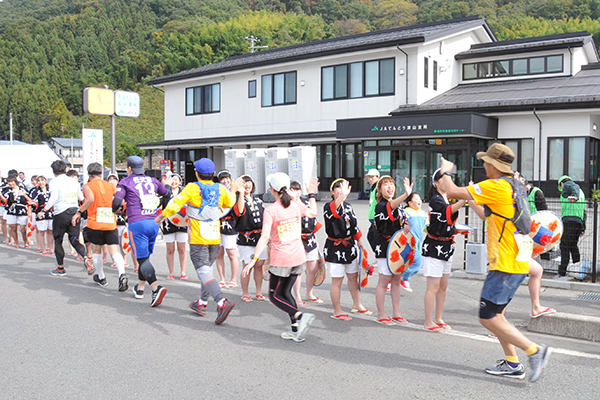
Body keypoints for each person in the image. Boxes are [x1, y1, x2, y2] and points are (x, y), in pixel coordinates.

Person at [439, 143, 551, 382]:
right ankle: (512, 363)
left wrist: (445, 170)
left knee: (487, 316)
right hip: (515, 261)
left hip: (505, 263)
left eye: (486, 162)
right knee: (497, 316)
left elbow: (451, 191)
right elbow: (489, 215)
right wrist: (473, 200)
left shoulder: (496, 185)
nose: (483, 165)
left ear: (494, 165)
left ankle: (534, 351)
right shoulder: (515, 187)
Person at [157, 158, 237, 325]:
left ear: (196, 174)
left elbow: (175, 205)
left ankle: (222, 302)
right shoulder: (221, 188)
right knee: (206, 270)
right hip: (215, 237)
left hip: (198, 237)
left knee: (202, 271)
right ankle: (202, 303)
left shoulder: (192, 188)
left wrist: (161, 216)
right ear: (214, 174)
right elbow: (230, 202)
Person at [242, 173, 318, 342]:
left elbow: (264, 237)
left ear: (272, 190)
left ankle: (299, 315)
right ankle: (296, 330)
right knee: (285, 291)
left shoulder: (271, 210)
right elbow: (313, 213)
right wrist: (311, 193)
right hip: (298, 256)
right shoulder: (296, 205)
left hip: (282, 259)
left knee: (274, 295)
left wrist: (252, 261)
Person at [113, 156, 168, 307]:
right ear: (142, 168)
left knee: (141, 259)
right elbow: (167, 193)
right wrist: (163, 208)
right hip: (154, 221)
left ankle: (156, 287)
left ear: (129, 168)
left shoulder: (125, 181)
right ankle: (140, 288)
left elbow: (116, 202)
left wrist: (116, 210)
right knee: (145, 257)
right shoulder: (153, 180)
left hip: (137, 222)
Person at [422, 169, 467, 332]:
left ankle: (438, 317)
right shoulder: (435, 200)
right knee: (433, 286)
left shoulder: (445, 198)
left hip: (447, 245)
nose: (448, 182)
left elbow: (447, 221)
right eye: (444, 179)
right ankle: (428, 321)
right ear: (436, 183)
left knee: (443, 286)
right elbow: (447, 213)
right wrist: (464, 197)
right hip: (434, 246)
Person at [72, 163, 129, 291]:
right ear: (102, 174)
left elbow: (90, 199)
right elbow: (121, 200)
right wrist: (117, 210)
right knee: (114, 251)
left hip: (95, 222)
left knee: (96, 250)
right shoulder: (110, 185)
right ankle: (122, 274)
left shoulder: (87, 186)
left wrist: (79, 211)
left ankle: (102, 278)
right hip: (110, 221)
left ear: (88, 175)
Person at [324, 178, 369, 320]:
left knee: (353, 277)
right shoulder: (328, 206)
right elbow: (336, 212)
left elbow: (354, 226)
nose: (341, 190)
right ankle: (337, 310)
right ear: (332, 191)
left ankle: (357, 304)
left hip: (349, 246)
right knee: (337, 280)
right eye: (338, 188)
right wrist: (342, 196)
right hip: (335, 247)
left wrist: (359, 241)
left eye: (343, 188)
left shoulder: (349, 206)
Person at [373, 176, 412, 325]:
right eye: (386, 185)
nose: (390, 187)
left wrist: (406, 226)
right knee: (383, 281)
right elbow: (391, 208)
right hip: (385, 247)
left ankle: (396, 313)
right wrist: (406, 195)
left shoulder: (398, 205)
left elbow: (402, 218)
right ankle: (381, 314)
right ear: (380, 190)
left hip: (398, 247)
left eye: (392, 184)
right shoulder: (381, 205)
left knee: (396, 280)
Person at [40, 160, 91, 276]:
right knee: (74, 239)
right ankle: (85, 257)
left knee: (58, 240)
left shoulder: (54, 182)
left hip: (61, 213)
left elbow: (53, 198)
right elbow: (80, 197)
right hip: (74, 211)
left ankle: (60, 268)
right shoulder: (74, 181)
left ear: (53, 172)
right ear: (66, 169)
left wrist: (44, 210)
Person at [233, 175, 267, 302]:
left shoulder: (258, 199)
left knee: (259, 265)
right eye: (243, 183)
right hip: (245, 237)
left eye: (249, 182)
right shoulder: (236, 199)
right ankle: (245, 292)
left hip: (260, 236)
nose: (247, 185)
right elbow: (240, 211)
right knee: (247, 265)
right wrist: (241, 194)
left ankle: (258, 291)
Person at [557, 175, 586, 278]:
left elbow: (573, 187)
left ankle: (562, 272)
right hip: (578, 222)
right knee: (573, 246)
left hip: (569, 221)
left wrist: (574, 195)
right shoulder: (582, 192)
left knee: (564, 246)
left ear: (562, 183)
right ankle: (577, 269)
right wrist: (583, 227)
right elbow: (584, 212)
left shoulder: (569, 185)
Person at [159, 174, 188, 280]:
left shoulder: (184, 193)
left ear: (180, 182)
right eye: (172, 179)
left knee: (182, 249)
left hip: (182, 223)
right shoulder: (165, 192)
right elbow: (160, 204)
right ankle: (171, 272)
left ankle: (183, 271)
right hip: (168, 224)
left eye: (176, 180)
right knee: (170, 249)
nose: (174, 182)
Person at [400, 192, 429, 292]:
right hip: (407, 243)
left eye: (420, 199)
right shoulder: (406, 212)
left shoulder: (423, 214)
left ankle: (391, 281)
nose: (419, 201)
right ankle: (404, 279)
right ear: (409, 202)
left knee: (402, 264)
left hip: (418, 244)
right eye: (416, 199)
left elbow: (426, 228)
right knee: (417, 263)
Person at [215, 170, 239, 288]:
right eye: (222, 179)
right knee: (219, 254)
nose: (225, 180)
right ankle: (222, 278)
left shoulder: (237, 193)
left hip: (231, 227)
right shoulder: (216, 193)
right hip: (217, 226)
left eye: (227, 178)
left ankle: (233, 279)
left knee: (231, 253)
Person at [0, 176, 31, 248]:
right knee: (13, 227)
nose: (10, 183)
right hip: (11, 210)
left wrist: (28, 210)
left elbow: (29, 200)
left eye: (12, 182)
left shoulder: (22, 189)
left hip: (21, 210)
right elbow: (5, 201)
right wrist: (0, 195)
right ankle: (17, 243)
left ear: (15, 182)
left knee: (23, 229)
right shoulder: (7, 191)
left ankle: (25, 242)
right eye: (9, 182)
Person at [32, 176, 54, 255]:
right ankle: (43, 249)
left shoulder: (50, 190)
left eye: (42, 180)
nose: (41, 182)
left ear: (45, 181)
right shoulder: (35, 191)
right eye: (39, 181)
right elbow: (33, 202)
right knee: (41, 231)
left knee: (50, 231)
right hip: (40, 212)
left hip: (50, 212)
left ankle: (51, 248)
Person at [366, 169, 380, 252]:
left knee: (375, 238)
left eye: (372, 177)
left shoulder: (378, 189)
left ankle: (380, 255)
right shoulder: (373, 188)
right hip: (372, 219)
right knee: (371, 236)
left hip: (376, 219)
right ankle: (378, 254)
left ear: (378, 178)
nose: (370, 179)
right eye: (369, 177)